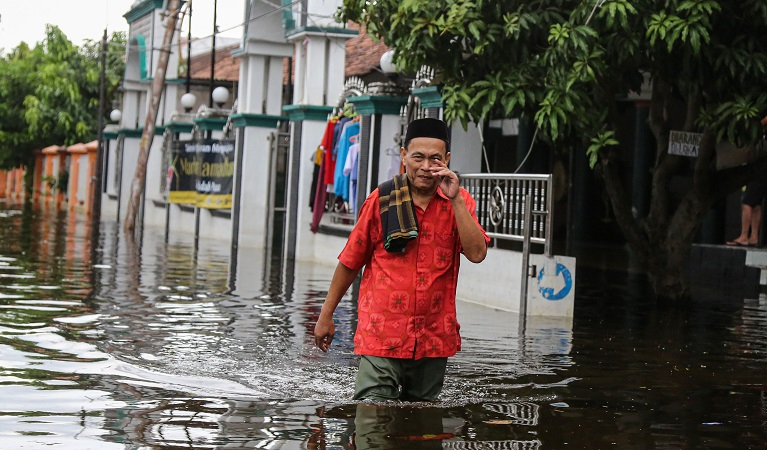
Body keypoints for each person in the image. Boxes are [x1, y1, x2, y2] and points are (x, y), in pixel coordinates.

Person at [313, 117, 489, 402]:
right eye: (418, 157)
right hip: (381, 335)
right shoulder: (381, 199)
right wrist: (326, 314)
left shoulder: (461, 202)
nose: (425, 167)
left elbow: (477, 254)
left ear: (446, 160)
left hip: (433, 338)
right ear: (404, 156)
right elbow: (350, 261)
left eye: (435, 159)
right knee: (373, 416)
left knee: (422, 428)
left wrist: (455, 199)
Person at [726, 116, 767, 247]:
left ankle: (744, 235)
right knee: (756, 204)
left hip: (760, 168)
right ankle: (754, 236)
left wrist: (755, 123)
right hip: (762, 169)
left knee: (747, 202)